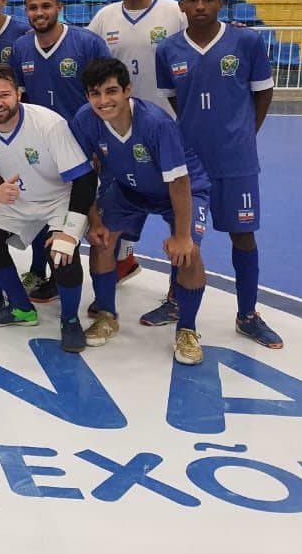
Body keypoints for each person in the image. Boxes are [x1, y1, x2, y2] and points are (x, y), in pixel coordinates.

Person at [153, 0, 281, 348]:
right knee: (186, 236)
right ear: (181, 5)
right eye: (192, 0)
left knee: (243, 234)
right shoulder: (168, 50)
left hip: (236, 161)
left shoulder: (246, 41)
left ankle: (248, 314)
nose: (200, 6)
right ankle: (177, 302)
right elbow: (175, 100)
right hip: (190, 163)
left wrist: (244, 133)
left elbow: (263, 93)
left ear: (220, 3)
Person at [70, 58, 209, 364]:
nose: (104, 101)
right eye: (95, 93)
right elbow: (81, 175)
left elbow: (179, 182)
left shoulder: (156, 124)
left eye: (111, 92)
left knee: (189, 253)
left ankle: (187, 329)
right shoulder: (84, 120)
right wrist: (94, 221)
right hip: (128, 189)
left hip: (181, 190)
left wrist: (183, 236)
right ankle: (107, 315)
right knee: (102, 240)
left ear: (128, 90)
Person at [0, 64, 98, 352]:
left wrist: (70, 232)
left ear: (18, 94)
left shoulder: (48, 123)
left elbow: (84, 179)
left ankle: (70, 320)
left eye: (4, 95)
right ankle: (22, 309)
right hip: (16, 199)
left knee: (61, 254)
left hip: (59, 196)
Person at [86, 0, 186, 118]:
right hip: (120, 116)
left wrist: (234, 28)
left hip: (167, 114)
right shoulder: (104, 16)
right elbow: (81, 49)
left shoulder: (175, 11)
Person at [12, 0, 109, 121]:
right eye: (33, 8)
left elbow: (108, 93)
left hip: (81, 131)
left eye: (46, 6)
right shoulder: (20, 47)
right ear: (26, 10)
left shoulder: (89, 43)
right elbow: (20, 96)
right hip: (41, 133)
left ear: (59, 7)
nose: (39, 13)